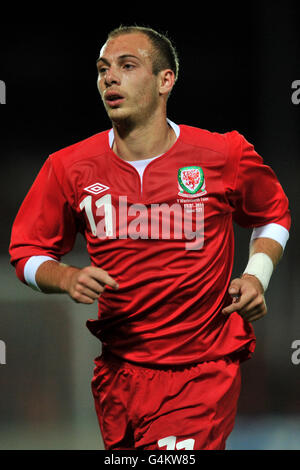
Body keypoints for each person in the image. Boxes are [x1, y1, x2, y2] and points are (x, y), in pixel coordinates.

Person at [9, 26, 291, 451]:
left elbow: (272, 214)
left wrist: (257, 276)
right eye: (103, 69)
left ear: (165, 80)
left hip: (199, 369)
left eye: (127, 66)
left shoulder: (223, 155)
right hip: (119, 374)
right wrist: (64, 278)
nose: (109, 78)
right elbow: (26, 251)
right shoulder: (69, 167)